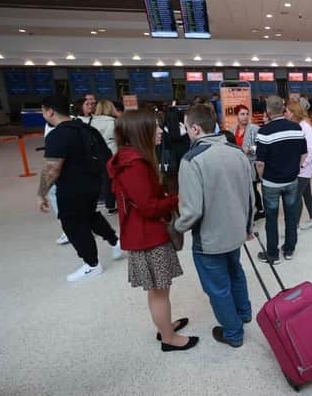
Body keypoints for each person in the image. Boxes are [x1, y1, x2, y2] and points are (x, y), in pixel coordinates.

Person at [107, 110, 197, 352]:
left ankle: (165, 325)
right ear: (140, 131)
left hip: (142, 233)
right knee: (159, 292)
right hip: (147, 236)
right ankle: (168, 338)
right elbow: (148, 208)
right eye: (155, 127)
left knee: (159, 290)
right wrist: (177, 198)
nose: (160, 131)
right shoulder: (134, 165)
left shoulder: (130, 158)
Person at [175, 104, 254, 348]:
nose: (186, 131)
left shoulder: (191, 160)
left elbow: (192, 211)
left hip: (209, 238)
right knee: (235, 272)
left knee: (218, 287)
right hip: (236, 231)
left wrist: (176, 227)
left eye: (186, 127)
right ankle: (244, 313)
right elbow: (251, 195)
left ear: (196, 128)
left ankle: (233, 333)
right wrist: (248, 227)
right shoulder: (237, 151)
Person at [36, 95, 121, 282]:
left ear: (50, 111)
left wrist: (41, 193)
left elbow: (52, 168)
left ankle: (92, 264)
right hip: (93, 184)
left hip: (72, 189)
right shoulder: (87, 129)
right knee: (90, 216)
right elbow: (106, 155)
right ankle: (116, 242)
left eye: (43, 110)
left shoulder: (57, 135)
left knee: (74, 225)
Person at [255, 95, 307, 263]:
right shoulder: (296, 128)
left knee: (271, 218)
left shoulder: (263, 132)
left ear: (268, 111)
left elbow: (260, 162)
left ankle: (273, 254)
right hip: (291, 180)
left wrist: (263, 178)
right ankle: (289, 249)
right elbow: (304, 154)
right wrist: (295, 169)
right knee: (291, 215)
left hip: (271, 182)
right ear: (283, 108)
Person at [285, 99, 312, 230]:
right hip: (300, 167)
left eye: (286, 111)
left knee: (296, 197)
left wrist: (301, 165)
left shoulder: (305, 127)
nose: (285, 114)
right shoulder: (298, 125)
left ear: (293, 113)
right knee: (306, 193)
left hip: (303, 168)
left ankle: (295, 226)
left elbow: (311, 150)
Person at [230, 104, 264, 220]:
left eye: (246, 114)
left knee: (252, 188)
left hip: (251, 164)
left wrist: (250, 149)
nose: (245, 117)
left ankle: (260, 210)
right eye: (242, 114)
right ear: (237, 116)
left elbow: (261, 147)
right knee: (243, 189)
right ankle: (249, 209)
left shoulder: (255, 129)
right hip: (238, 164)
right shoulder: (233, 130)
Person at [91, 99, 118, 214]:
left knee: (102, 179)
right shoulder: (114, 122)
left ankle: (105, 202)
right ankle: (112, 204)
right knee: (112, 180)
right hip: (112, 154)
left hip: (96, 155)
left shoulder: (91, 122)